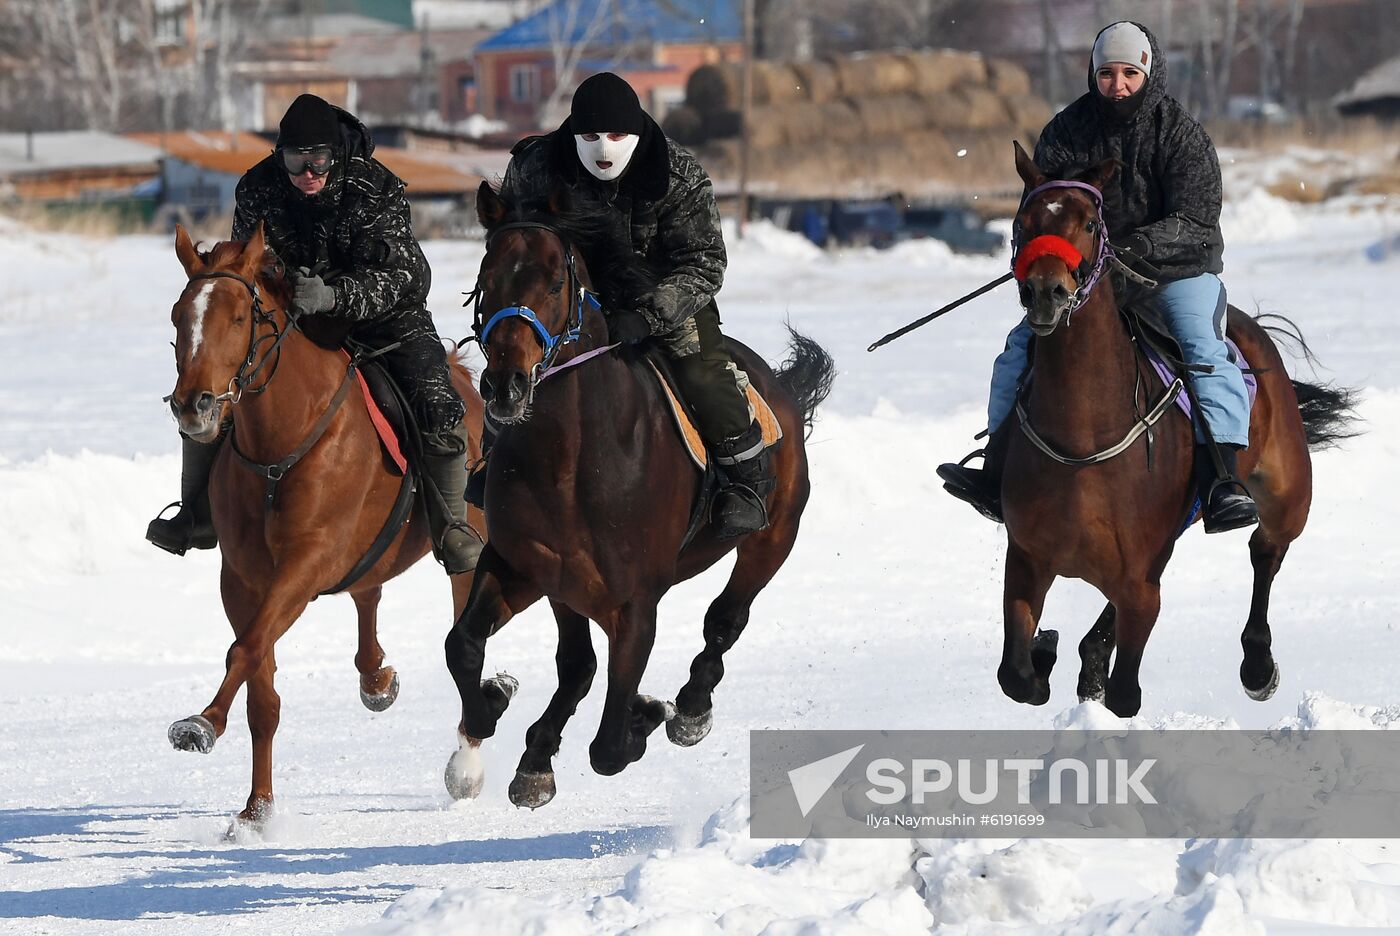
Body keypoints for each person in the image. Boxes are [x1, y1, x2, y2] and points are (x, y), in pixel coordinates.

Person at [937, 21, 1259, 534]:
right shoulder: (1065, 132)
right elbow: (1039, 211)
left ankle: (1223, 480)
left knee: (1202, 347)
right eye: (1107, 73)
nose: (1118, 85)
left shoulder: (1181, 135)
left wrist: (1133, 246)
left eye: (1130, 73)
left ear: (1149, 73)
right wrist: (1038, 266)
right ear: (1093, 74)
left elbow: (1197, 221)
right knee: (1018, 350)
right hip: (1090, 279)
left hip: (1176, 274)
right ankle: (995, 472)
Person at [147, 93, 483, 572]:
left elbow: (404, 275)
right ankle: (195, 514)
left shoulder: (375, 185)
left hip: (386, 319)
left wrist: (333, 295)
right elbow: (250, 263)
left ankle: (451, 525)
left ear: (335, 155)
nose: (307, 171)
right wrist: (279, 289)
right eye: (296, 160)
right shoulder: (258, 188)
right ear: (279, 156)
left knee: (435, 400)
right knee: (214, 386)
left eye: (319, 159)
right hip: (294, 317)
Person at [476, 71, 771, 538]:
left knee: (702, 372)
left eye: (617, 136)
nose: (603, 149)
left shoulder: (679, 173)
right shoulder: (535, 165)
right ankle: (492, 463)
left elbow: (705, 262)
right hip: (563, 300)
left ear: (637, 131)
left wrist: (649, 314)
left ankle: (745, 481)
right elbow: (515, 242)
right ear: (572, 134)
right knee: (512, 364)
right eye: (590, 136)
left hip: (661, 298)